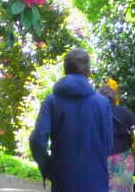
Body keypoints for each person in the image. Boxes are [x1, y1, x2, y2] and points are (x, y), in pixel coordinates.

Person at [29, 48, 114, 192]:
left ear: (65, 69)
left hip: (64, 180)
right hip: (96, 180)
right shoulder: (103, 104)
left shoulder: (52, 101)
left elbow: (38, 139)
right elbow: (108, 144)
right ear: (88, 71)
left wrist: (48, 167)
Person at [100, 85, 135, 192]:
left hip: (101, 160)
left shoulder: (95, 114)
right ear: (114, 98)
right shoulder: (124, 113)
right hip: (123, 161)